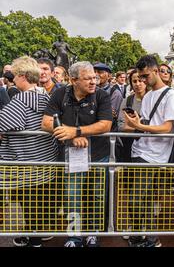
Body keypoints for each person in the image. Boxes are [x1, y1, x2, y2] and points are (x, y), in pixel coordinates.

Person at [41, 61, 113, 247]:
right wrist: (72, 136)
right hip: (71, 155)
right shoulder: (60, 94)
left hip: (99, 155)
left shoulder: (102, 95)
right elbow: (46, 122)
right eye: (87, 78)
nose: (93, 82)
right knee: (73, 196)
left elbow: (105, 124)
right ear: (73, 80)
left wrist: (77, 131)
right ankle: (74, 236)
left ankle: (94, 233)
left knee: (97, 196)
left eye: (94, 78)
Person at [0, 56, 58, 247]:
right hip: (46, 163)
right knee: (41, 206)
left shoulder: (21, 100)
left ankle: (34, 240)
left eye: (15, 76)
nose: (13, 80)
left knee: (30, 206)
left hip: (27, 166)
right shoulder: (45, 96)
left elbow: (2, 123)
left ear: (23, 76)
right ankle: (37, 237)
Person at [122, 55, 174, 248]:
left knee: (136, 199)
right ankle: (145, 237)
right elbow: (147, 123)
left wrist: (140, 125)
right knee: (142, 199)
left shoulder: (171, 94)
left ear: (156, 71)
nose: (143, 80)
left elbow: (167, 127)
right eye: (140, 77)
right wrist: (135, 124)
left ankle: (145, 237)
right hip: (139, 150)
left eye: (146, 76)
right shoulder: (147, 96)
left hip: (154, 154)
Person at [117, 69, 149, 162]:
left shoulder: (153, 99)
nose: (138, 84)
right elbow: (120, 125)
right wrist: (140, 129)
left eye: (140, 80)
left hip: (150, 147)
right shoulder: (127, 101)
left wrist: (135, 126)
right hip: (130, 146)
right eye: (134, 81)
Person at [94, 62, 123, 130]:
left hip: (107, 133)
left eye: (100, 72)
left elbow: (108, 116)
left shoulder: (115, 93)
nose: (96, 75)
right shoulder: (89, 90)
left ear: (109, 76)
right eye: (94, 72)